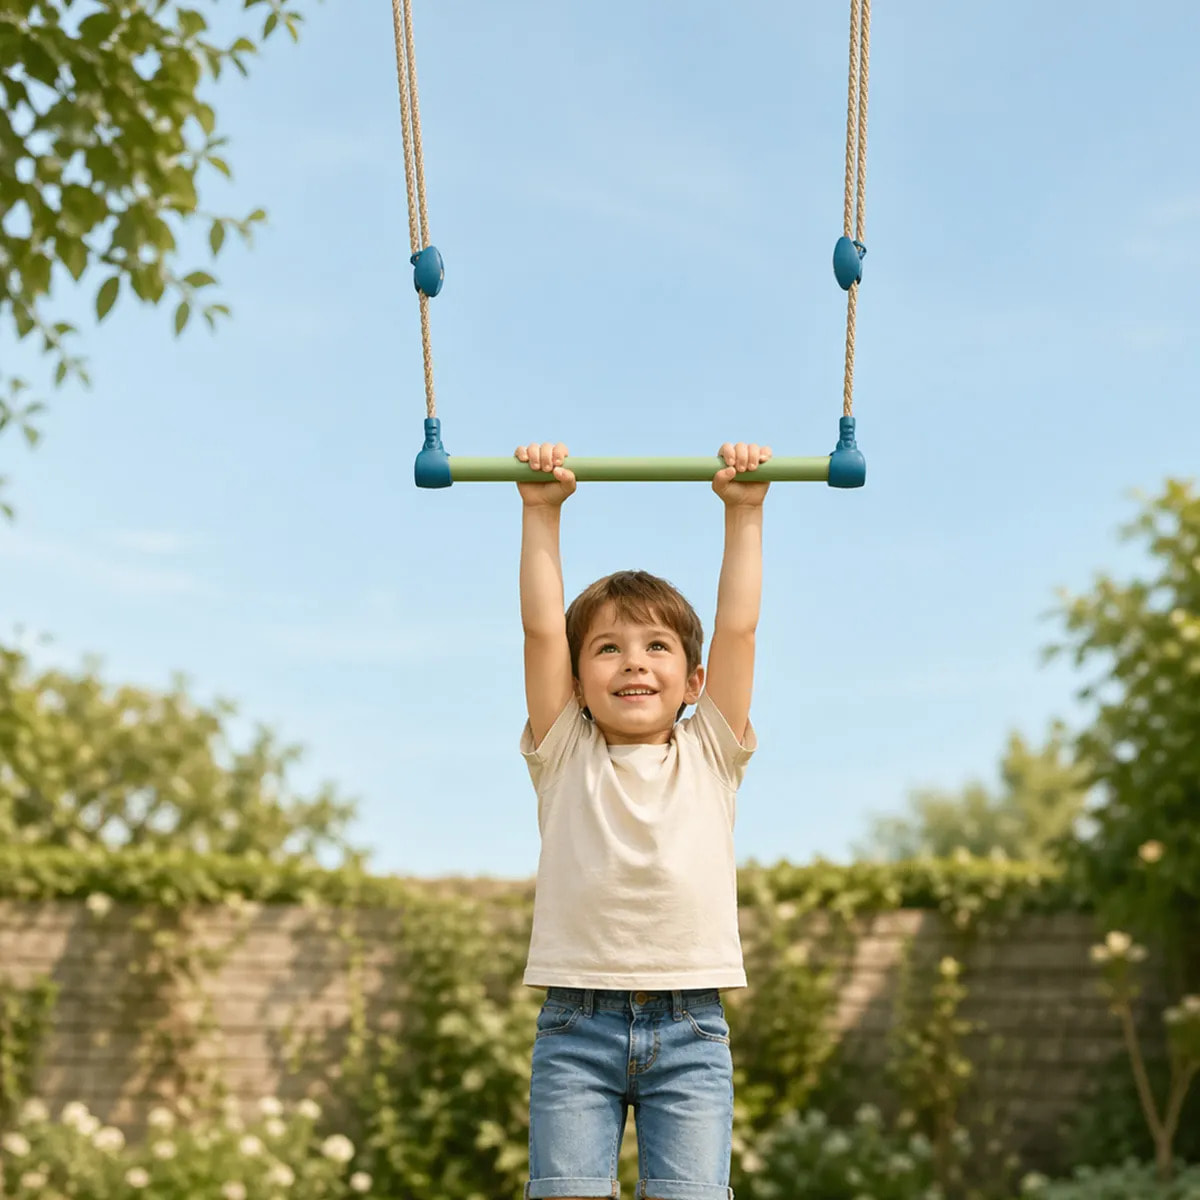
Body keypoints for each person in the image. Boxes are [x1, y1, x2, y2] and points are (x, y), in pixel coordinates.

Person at [516, 439, 770, 1200]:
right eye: (606, 649)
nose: (633, 662)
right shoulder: (564, 749)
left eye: (656, 646)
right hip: (575, 1027)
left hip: (691, 1029)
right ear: (577, 678)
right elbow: (537, 633)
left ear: (693, 680)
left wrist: (745, 514)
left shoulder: (711, 751)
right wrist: (540, 514)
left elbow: (739, 632)